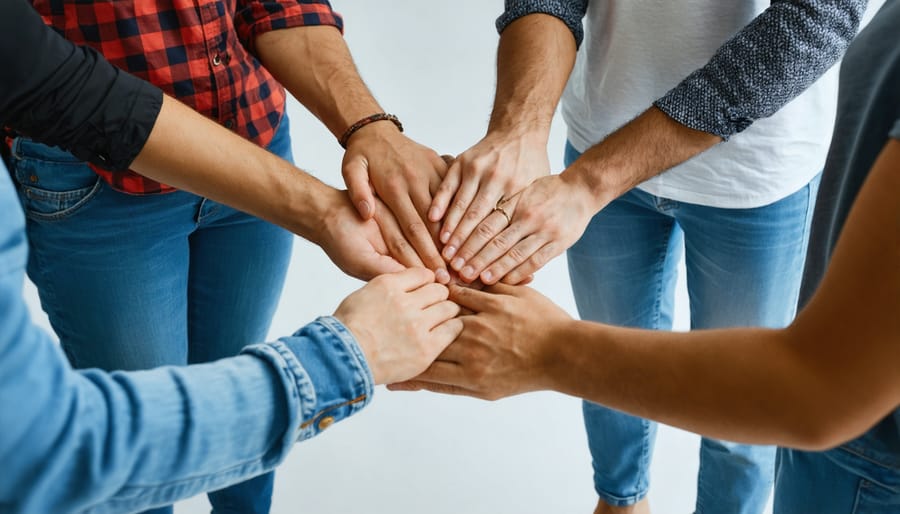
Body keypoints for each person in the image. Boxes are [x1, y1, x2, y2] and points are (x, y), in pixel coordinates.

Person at [392, 2, 900, 512]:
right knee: (603, 365)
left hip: (755, 176)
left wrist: (589, 185)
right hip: (598, 134)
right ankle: (620, 501)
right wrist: (519, 128)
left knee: (742, 423)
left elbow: (809, 23)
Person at [0, 1, 461, 512]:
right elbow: (78, 447)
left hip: (254, 135)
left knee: (241, 377)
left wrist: (369, 127)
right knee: (143, 463)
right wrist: (347, 353)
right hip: (97, 178)